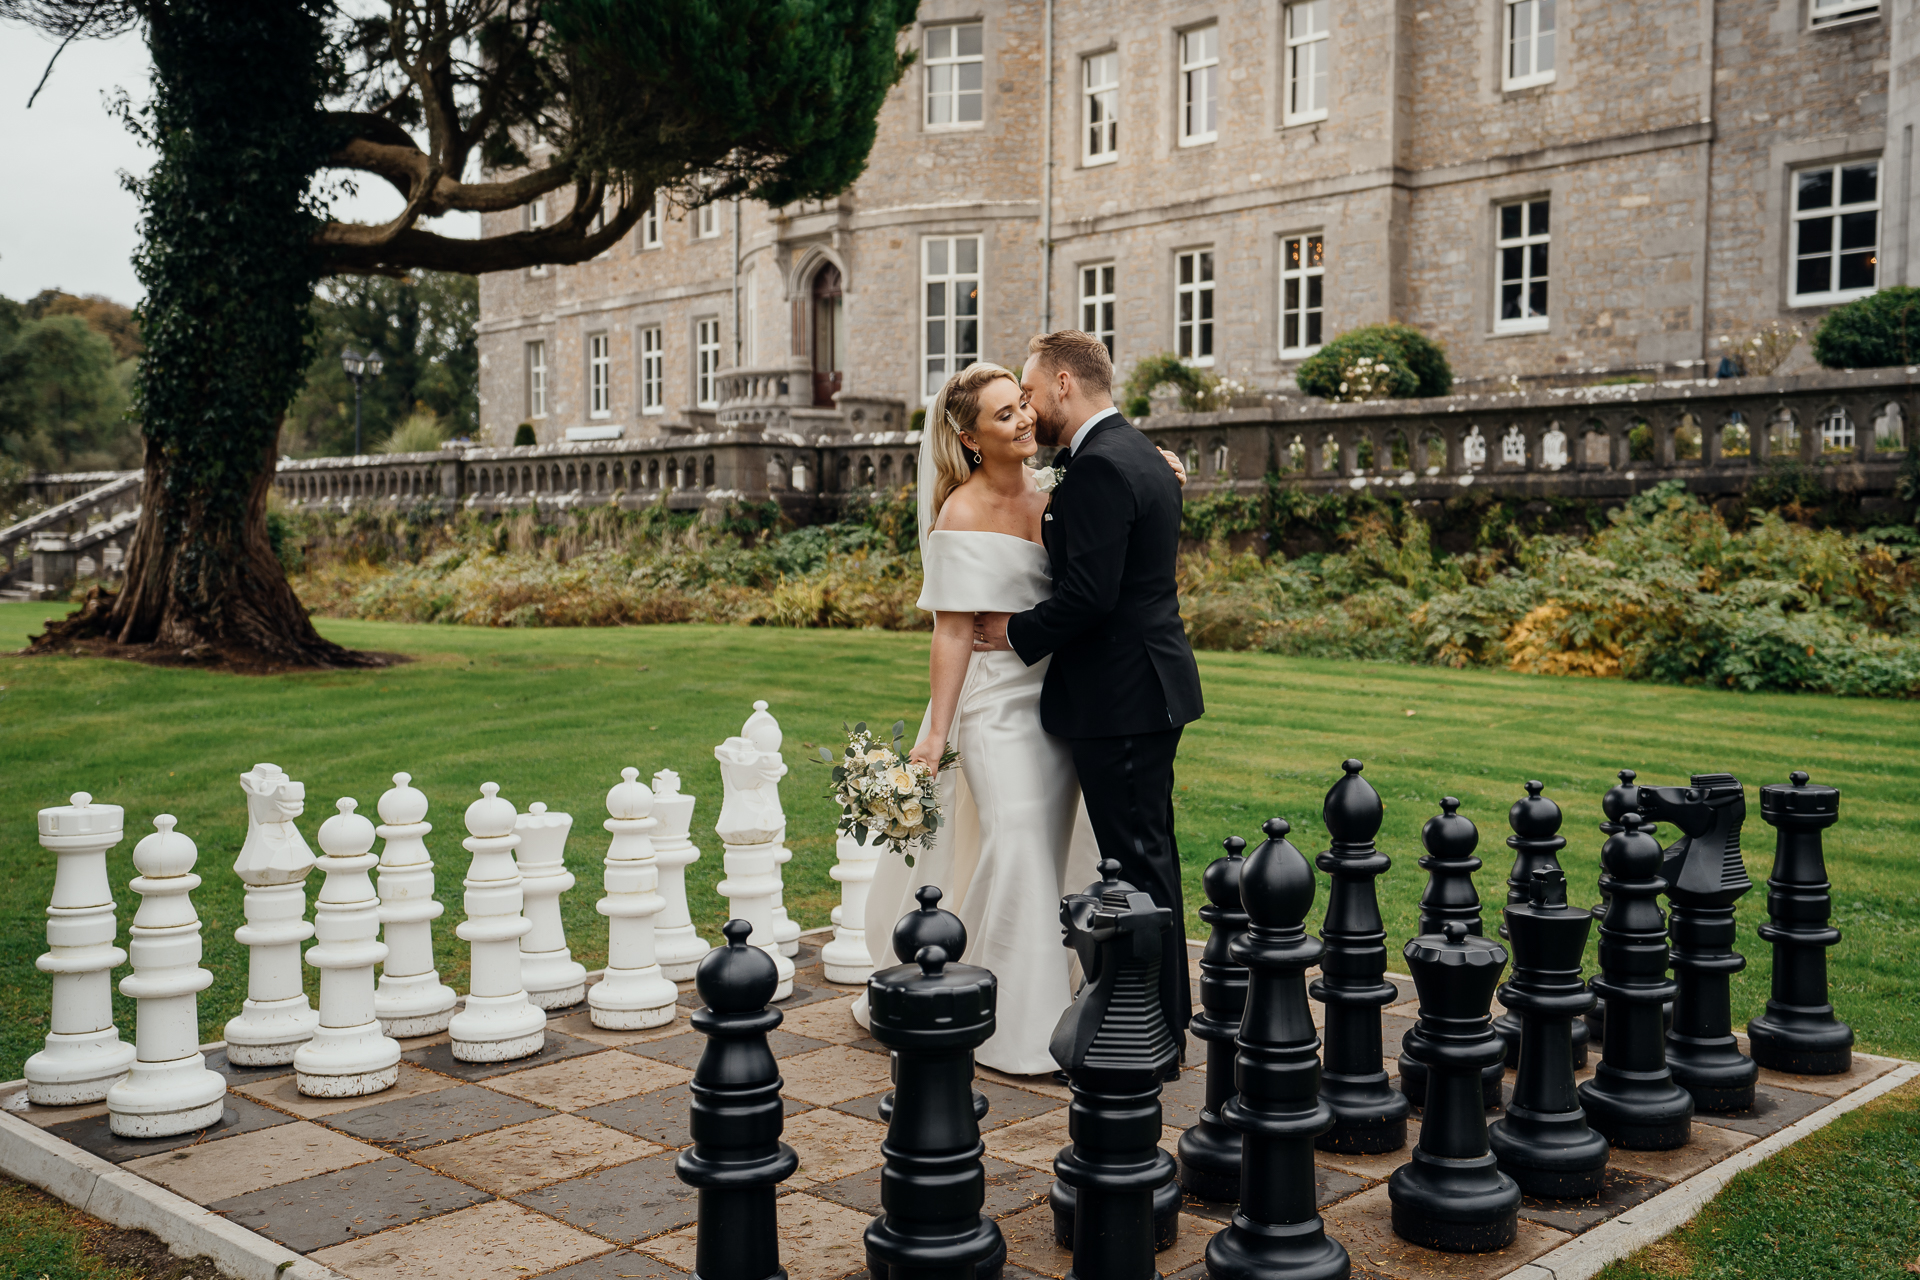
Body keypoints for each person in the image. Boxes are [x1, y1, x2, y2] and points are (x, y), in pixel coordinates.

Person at [850, 354, 1189, 1076]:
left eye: (1023, 404)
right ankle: (1022, 1025)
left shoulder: (1053, 493)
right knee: (1019, 841)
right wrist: (935, 737)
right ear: (971, 438)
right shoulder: (961, 512)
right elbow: (950, 630)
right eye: (1006, 413)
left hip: (1062, 703)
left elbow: (1106, 529)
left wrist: (1156, 471)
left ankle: (1062, 994)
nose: (1026, 416)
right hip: (994, 709)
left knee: (1065, 848)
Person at [972, 329, 1206, 1068]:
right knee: (1147, 860)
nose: (1031, 411)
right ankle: (1163, 1015)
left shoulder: (1105, 466)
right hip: (1143, 689)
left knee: (1136, 867)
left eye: (1034, 394)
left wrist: (1014, 632)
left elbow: (1091, 596)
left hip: (1122, 697)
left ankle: (1153, 1032)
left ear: (1066, 385)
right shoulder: (1138, 454)